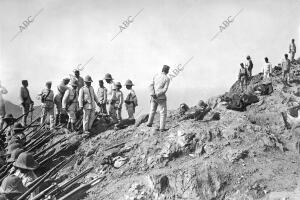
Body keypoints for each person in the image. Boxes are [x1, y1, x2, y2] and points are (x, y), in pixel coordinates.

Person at [146, 65, 170, 132]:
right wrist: (157, 94)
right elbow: (165, 89)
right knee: (163, 113)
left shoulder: (156, 75)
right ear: (167, 71)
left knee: (152, 110)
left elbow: (150, 85)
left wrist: (152, 94)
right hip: (161, 97)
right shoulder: (167, 78)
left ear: (162, 69)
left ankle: (149, 123)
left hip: (153, 96)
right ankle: (162, 128)